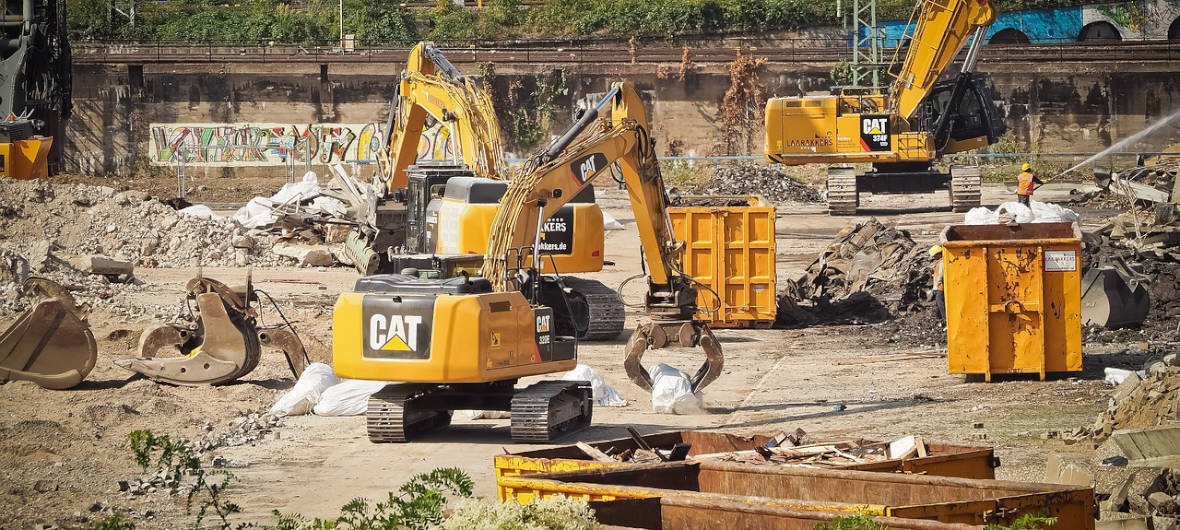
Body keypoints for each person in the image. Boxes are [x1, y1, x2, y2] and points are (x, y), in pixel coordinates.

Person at [930, 245, 945, 326]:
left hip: (940, 287)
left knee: (940, 303)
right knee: (938, 303)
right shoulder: (941, 262)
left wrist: (938, 283)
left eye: (934, 255)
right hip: (938, 286)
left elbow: (941, 275)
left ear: (938, 254)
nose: (933, 257)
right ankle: (938, 318)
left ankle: (944, 319)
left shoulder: (942, 263)